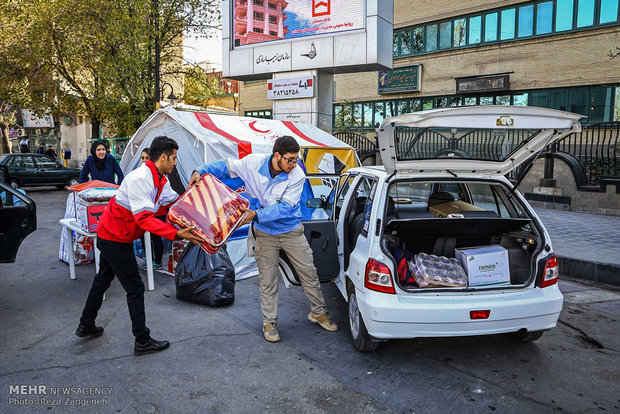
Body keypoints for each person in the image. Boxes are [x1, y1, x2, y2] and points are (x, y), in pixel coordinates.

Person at [189, 135, 339, 343]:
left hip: (291, 231)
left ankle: (319, 312)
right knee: (268, 281)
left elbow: (285, 208)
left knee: (309, 272)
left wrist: (255, 215)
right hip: (265, 233)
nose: (294, 164)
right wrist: (200, 171)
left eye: (296, 159)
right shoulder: (252, 163)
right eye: (290, 159)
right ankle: (270, 323)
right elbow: (226, 166)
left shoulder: (297, 175)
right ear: (276, 155)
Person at [76, 136, 203, 355]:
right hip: (115, 237)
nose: (175, 163)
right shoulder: (140, 178)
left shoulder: (160, 180)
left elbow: (175, 202)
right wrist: (175, 234)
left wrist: (195, 196)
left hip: (114, 235)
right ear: (163, 157)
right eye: (173, 158)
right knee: (135, 288)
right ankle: (142, 340)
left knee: (102, 280)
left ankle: (86, 324)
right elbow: (144, 219)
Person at [140, 147, 165, 269]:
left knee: (156, 237)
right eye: (142, 158)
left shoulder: (160, 176)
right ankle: (148, 259)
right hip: (145, 211)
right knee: (143, 236)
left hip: (157, 211)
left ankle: (158, 261)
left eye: (147, 158)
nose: (144, 160)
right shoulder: (140, 174)